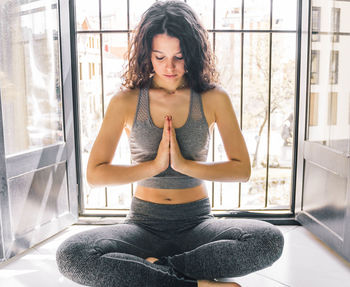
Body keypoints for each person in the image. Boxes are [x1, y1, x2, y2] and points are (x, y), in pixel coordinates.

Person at [56, 1, 284, 286]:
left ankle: (156, 270)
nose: (170, 67)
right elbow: (95, 174)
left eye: (179, 56)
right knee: (71, 254)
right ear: (146, 54)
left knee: (268, 240)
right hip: (142, 225)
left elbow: (241, 170)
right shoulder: (126, 100)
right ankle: (194, 282)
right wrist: (154, 166)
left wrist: (184, 165)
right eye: (160, 57)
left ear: (193, 53)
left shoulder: (214, 98)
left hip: (198, 223)